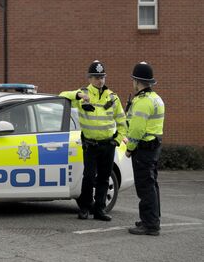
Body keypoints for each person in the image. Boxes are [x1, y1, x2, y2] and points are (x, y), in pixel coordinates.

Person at [60, 60, 127, 221]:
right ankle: (84, 208)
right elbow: (62, 95)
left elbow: (122, 123)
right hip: (90, 145)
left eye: (102, 77)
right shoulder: (83, 94)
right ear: (89, 78)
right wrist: (78, 95)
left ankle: (100, 210)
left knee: (104, 178)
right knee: (89, 177)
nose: (100, 80)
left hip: (108, 144)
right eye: (97, 77)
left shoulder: (113, 97)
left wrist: (116, 140)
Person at [125, 62, 164, 236]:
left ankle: (150, 225)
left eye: (133, 80)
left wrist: (129, 148)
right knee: (152, 185)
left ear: (137, 81)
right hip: (154, 147)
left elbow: (136, 130)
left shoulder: (142, 102)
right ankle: (152, 219)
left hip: (143, 149)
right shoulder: (156, 99)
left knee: (145, 187)